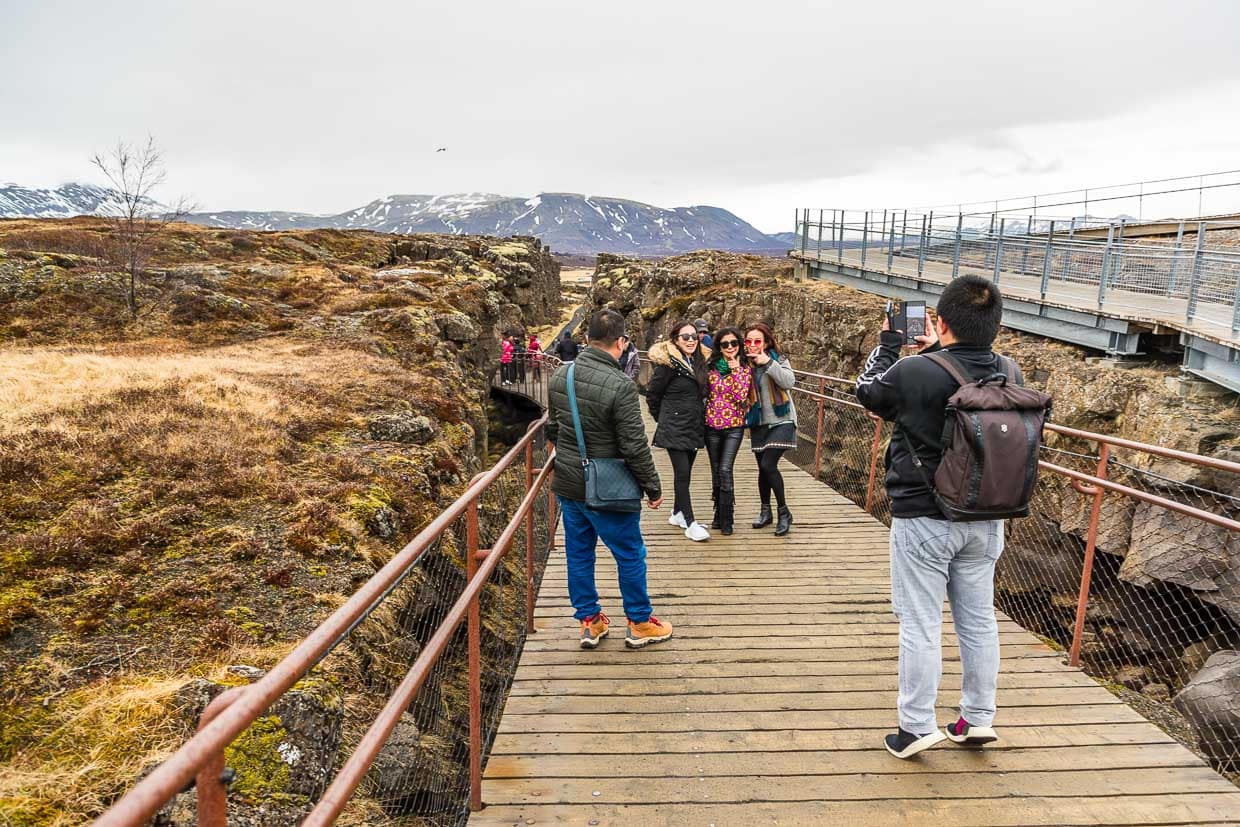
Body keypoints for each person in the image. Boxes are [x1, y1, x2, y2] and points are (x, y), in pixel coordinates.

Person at [855, 275, 1016, 759]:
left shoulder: (914, 370)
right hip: (987, 515)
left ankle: (916, 726)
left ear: (940, 321)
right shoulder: (1011, 370)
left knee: (921, 623)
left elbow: (867, 392)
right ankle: (977, 718)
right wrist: (937, 351)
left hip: (923, 515)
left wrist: (890, 345)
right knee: (979, 621)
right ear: (995, 324)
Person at [545, 309, 673, 649]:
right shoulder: (621, 386)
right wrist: (652, 486)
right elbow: (634, 445)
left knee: (579, 553)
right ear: (621, 342)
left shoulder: (561, 376)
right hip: (609, 489)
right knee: (630, 553)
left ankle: (590, 621)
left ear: (587, 340)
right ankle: (640, 622)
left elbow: (554, 429)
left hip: (570, 484)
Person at [647, 320, 711, 542]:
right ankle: (690, 523)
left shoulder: (699, 362)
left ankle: (677, 514)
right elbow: (652, 395)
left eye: (694, 336)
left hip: (693, 426)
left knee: (686, 473)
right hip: (674, 428)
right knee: (682, 475)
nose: (691, 340)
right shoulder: (668, 366)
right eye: (685, 337)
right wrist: (664, 419)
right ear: (675, 340)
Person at [744, 323, 797, 536]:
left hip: (782, 419)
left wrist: (768, 363)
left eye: (758, 341)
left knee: (768, 464)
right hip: (758, 422)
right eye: (749, 341)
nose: (753, 345)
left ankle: (784, 512)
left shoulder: (779, 360)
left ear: (766, 342)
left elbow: (788, 382)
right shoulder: (743, 364)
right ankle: (765, 512)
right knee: (762, 469)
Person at [704, 327, 752, 536]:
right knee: (716, 471)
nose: (730, 347)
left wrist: (734, 371)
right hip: (711, 425)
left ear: (739, 345)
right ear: (719, 347)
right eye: (725, 344)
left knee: (725, 469)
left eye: (734, 343)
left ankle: (728, 518)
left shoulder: (744, 368)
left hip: (734, 425)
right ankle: (718, 514)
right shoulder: (711, 367)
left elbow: (740, 396)